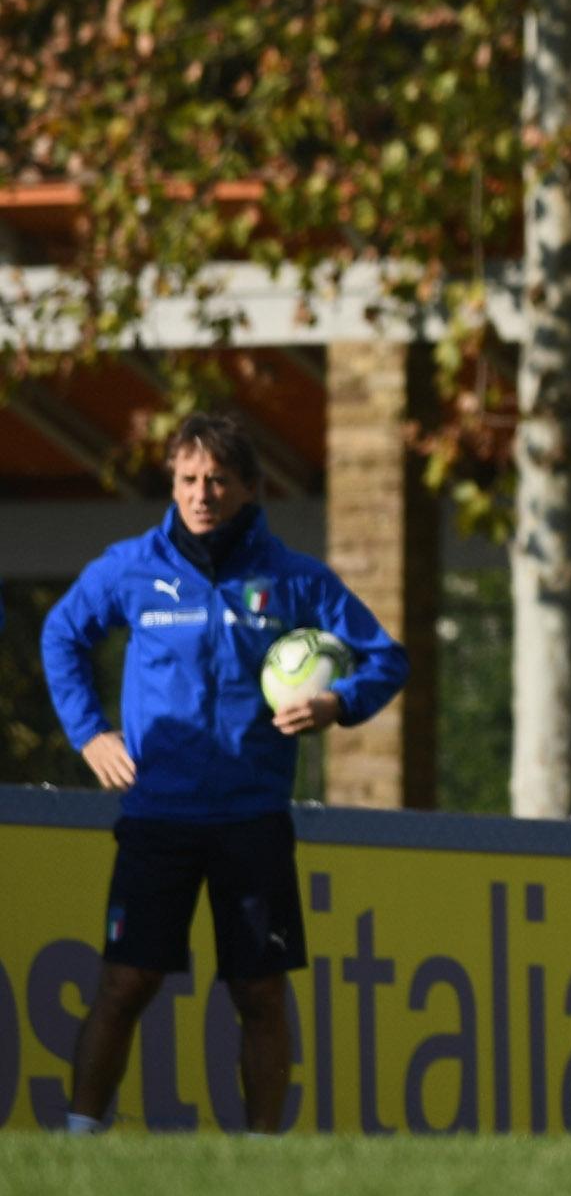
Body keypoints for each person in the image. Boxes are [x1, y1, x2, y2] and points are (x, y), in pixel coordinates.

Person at [40, 410, 409, 1134]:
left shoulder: (294, 579)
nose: (201, 494)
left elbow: (386, 658)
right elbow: (62, 634)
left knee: (260, 992)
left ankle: (264, 1153)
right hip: (157, 817)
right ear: (172, 483)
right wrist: (90, 735)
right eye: (186, 479)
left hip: (252, 818)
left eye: (217, 480)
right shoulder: (132, 567)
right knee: (125, 983)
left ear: (249, 488)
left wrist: (338, 703)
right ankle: (80, 1135)